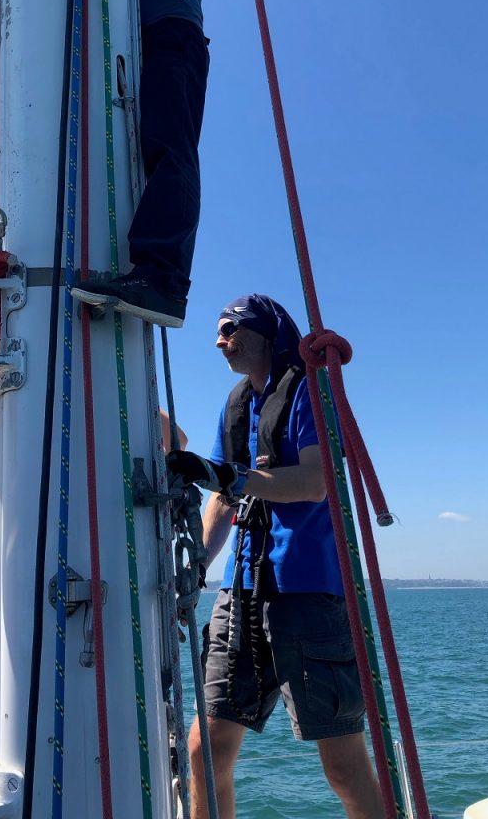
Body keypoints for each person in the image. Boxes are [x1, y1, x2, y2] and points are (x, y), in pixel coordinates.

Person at [166, 295, 384, 819]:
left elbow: (314, 482)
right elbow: (222, 497)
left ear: (265, 332)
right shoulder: (237, 405)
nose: (220, 341)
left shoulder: (310, 392)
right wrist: (197, 564)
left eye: (231, 329)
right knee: (204, 751)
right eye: (218, 332)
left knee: (342, 763)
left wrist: (229, 477)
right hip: (240, 594)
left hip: (306, 593)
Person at [60, 0, 210, 329]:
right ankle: (143, 274)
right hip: (123, 49)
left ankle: (162, 280)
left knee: (169, 148)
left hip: (170, 36)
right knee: (144, 151)